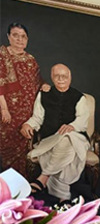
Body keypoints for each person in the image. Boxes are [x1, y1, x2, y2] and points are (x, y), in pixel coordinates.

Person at [20, 63, 90, 202]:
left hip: (77, 137)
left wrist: (72, 126)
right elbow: (37, 118)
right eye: (57, 76)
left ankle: (43, 178)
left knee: (67, 137)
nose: (61, 79)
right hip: (50, 139)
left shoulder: (79, 97)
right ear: (52, 77)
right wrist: (27, 124)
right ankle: (63, 199)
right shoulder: (43, 95)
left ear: (70, 77)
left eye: (64, 76)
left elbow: (83, 119)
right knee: (65, 145)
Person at [0, 23, 46, 177]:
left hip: (27, 111)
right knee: (7, 147)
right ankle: (6, 188)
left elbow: (38, 80)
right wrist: (4, 109)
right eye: (15, 35)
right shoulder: (2, 55)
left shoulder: (30, 59)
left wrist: (45, 85)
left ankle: (20, 186)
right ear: (8, 36)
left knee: (23, 147)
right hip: (6, 110)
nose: (20, 39)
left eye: (23, 36)